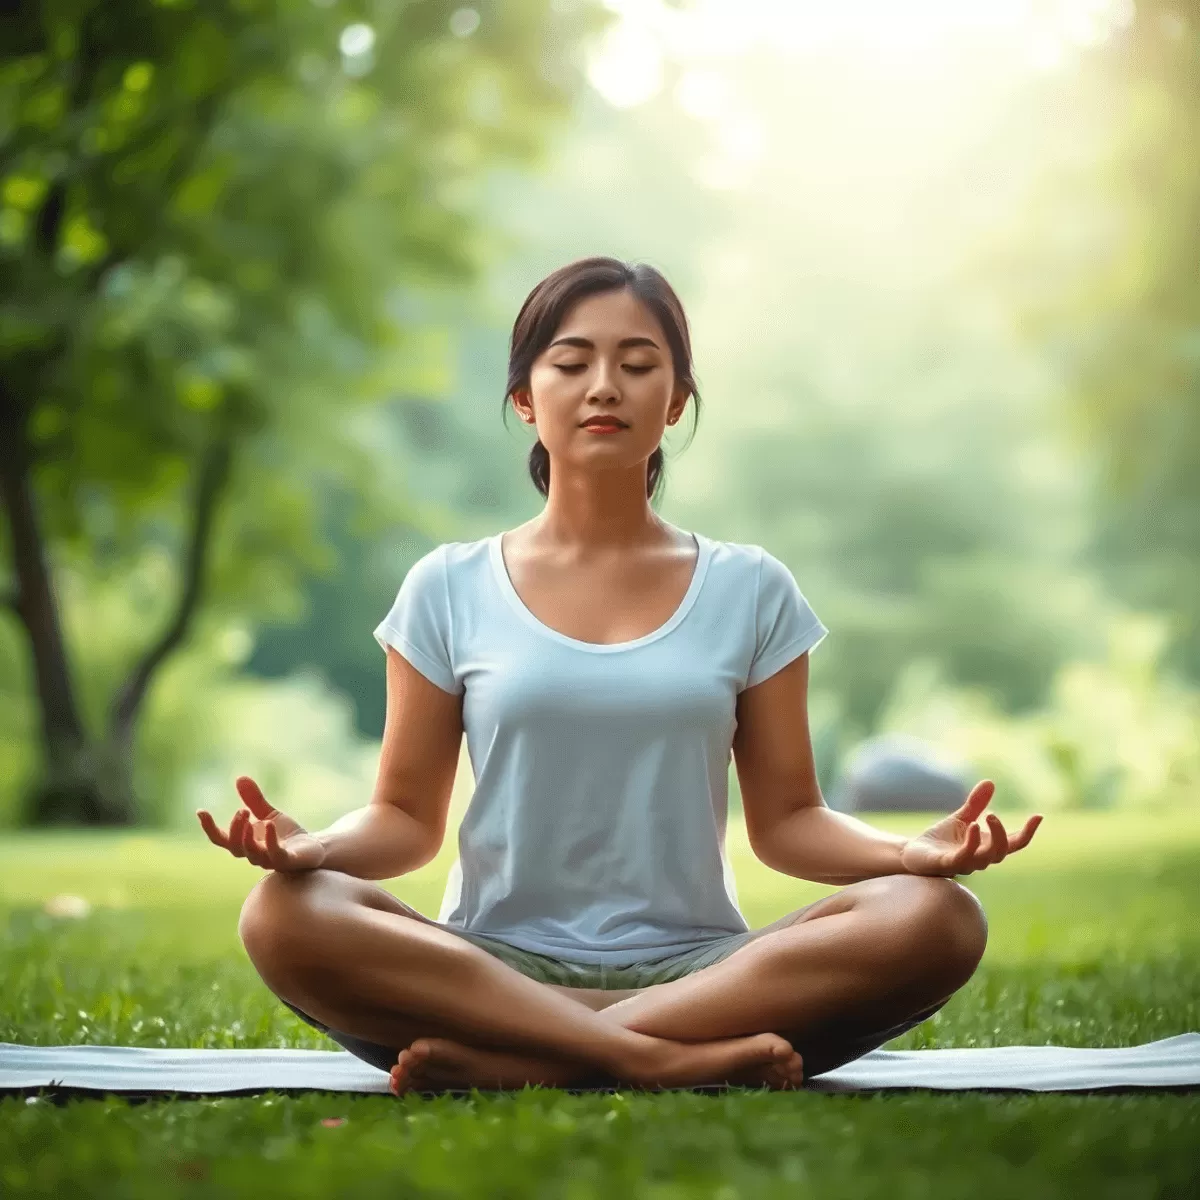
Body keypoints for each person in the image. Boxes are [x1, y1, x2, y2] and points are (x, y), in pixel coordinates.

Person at [198, 256, 1042, 1095]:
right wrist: (315, 849)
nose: (604, 386)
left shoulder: (750, 588)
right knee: (284, 911)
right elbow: (403, 820)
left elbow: (788, 822)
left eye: (638, 366)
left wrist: (906, 853)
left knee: (937, 919)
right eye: (571, 363)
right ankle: (646, 1060)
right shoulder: (447, 586)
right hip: (493, 964)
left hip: (703, 973)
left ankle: (528, 1058)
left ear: (675, 402)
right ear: (526, 399)